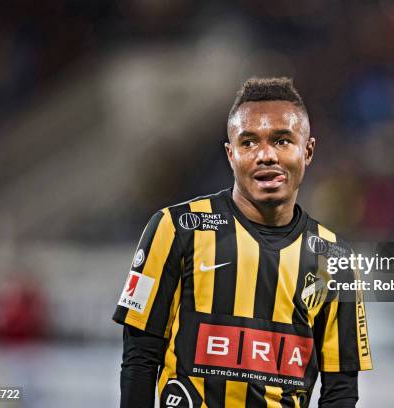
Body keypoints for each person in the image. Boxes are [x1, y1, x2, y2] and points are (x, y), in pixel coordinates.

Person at [113, 77, 372, 407]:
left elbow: (341, 391)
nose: (265, 155)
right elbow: (139, 360)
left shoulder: (334, 259)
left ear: (307, 151)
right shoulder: (176, 228)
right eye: (249, 143)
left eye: (282, 141)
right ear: (230, 153)